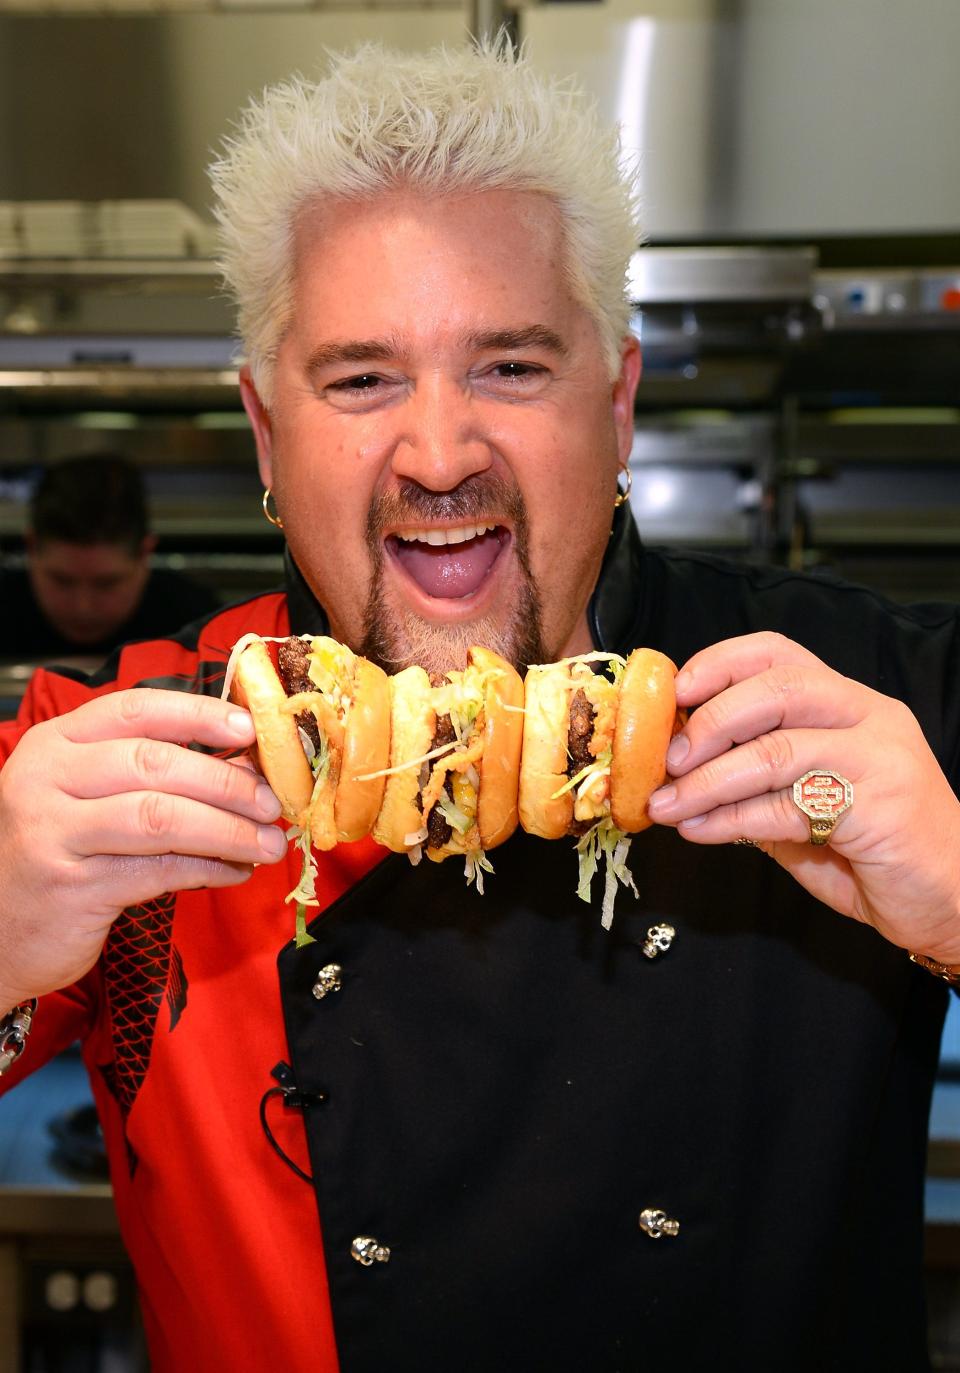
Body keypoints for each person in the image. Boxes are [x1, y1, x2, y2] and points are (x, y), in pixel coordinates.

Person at [0, 41, 958, 1373]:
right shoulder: (125, 748)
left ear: (618, 409)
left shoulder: (875, 707)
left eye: (510, 367)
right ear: (268, 434)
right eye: (361, 378)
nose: (441, 455)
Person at [3, 452, 220, 660]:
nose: (83, 608)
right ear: (31, 548)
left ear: (145, 554)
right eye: (62, 581)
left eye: (106, 584)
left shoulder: (201, 626)